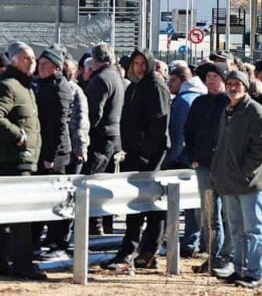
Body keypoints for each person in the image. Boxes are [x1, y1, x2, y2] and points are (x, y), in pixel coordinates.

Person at [103, 50, 170, 271]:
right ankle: (130, 251)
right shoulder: (134, 87)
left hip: (151, 157)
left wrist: (146, 154)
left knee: (153, 206)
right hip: (133, 155)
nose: (139, 68)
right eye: (136, 63)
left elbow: (159, 126)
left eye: (143, 63)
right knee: (135, 207)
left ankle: (147, 252)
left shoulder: (156, 87)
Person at [0, 41, 45, 279]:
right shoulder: (8, 86)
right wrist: (17, 135)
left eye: (33, 58)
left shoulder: (24, 86)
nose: (32, 63)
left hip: (23, 159)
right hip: (12, 160)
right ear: (14, 61)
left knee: (10, 217)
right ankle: (22, 264)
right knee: (21, 216)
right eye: (26, 58)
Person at [211, 70, 262, 289]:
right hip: (229, 182)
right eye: (229, 83)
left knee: (253, 229)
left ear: (246, 86)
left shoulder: (254, 110)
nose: (233, 88)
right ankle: (239, 269)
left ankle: (255, 273)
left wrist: (244, 171)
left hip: (249, 183)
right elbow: (222, 146)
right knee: (236, 229)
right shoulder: (227, 110)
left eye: (237, 84)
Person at [184, 63, 231, 275]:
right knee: (210, 216)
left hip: (226, 169)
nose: (211, 80)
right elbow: (188, 130)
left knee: (229, 215)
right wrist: (193, 157)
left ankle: (227, 257)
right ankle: (213, 256)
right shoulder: (199, 103)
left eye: (215, 76)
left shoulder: (231, 103)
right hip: (203, 167)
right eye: (208, 77)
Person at [31, 47, 73, 259]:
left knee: (57, 199)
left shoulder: (59, 88)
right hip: (46, 149)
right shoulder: (43, 85)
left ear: (57, 67)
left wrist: (50, 157)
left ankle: (58, 242)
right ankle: (42, 241)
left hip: (56, 153)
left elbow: (58, 126)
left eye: (45, 64)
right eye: (40, 64)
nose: (41, 67)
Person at [83, 43, 124, 237]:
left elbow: (94, 113)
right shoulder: (116, 77)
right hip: (114, 136)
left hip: (101, 137)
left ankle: (94, 226)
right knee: (107, 182)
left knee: (92, 181)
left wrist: (86, 132)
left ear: (95, 59)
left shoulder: (100, 80)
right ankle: (105, 225)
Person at [166, 62, 204, 257]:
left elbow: (178, 135)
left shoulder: (183, 101)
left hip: (184, 159)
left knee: (189, 206)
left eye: (172, 80)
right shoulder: (201, 96)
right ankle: (196, 240)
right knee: (197, 204)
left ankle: (189, 242)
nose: (169, 84)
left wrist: (169, 159)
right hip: (198, 157)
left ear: (182, 80)